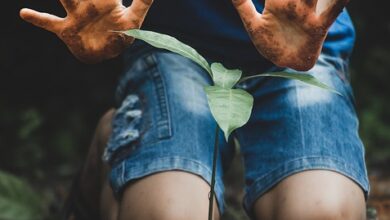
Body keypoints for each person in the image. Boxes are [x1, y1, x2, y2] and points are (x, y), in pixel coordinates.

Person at [20, 0, 369, 219]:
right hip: (174, 45)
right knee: (170, 212)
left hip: (300, 40)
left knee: (321, 211)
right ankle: (115, 142)